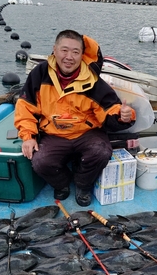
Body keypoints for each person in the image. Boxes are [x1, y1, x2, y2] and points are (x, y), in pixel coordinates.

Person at [14, 29, 136, 206]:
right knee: (40, 161)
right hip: (54, 133)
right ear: (54, 50)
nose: (69, 57)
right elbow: (25, 107)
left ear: (82, 55)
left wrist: (124, 115)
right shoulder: (39, 74)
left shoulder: (93, 81)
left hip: (87, 133)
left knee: (101, 152)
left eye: (75, 52)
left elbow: (111, 108)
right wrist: (28, 136)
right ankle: (62, 184)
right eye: (64, 50)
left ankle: (83, 185)